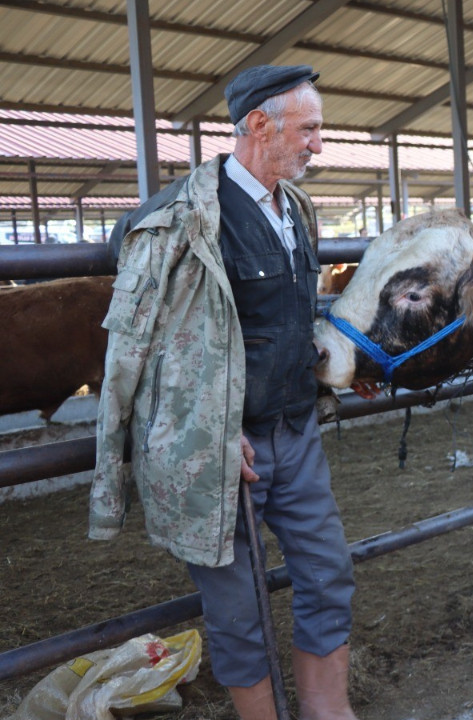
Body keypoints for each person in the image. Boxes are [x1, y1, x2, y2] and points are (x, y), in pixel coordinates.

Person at [90, 65, 359, 720]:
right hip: (220, 455)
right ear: (259, 126)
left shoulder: (295, 209)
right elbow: (137, 347)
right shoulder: (179, 220)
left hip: (295, 434)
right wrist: (205, 427)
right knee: (240, 609)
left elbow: (293, 318)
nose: (319, 146)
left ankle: (328, 711)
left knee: (328, 575)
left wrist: (335, 359)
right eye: (310, 130)